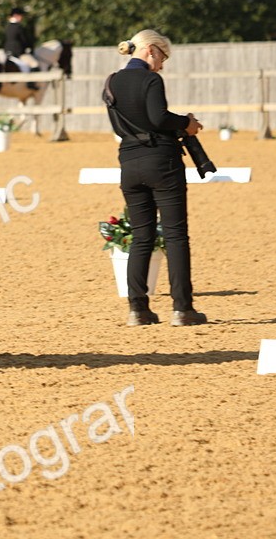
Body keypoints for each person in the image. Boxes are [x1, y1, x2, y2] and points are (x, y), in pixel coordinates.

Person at [105, 29, 207, 327]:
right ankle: (183, 308)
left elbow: (121, 123)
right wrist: (187, 123)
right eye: (163, 56)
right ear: (151, 49)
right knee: (175, 234)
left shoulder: (112, 81)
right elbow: (158, 118)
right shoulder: (151, 80)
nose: (162, 65)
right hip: (161, 161)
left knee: (141, 236)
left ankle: (138, 309)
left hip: (129, 162)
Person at [3, 7, 38, 89]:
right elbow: (24, 40)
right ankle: (30, 84)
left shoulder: (7, 27)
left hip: (7, 51)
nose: (22, 18)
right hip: (18, 53)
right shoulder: (19, 27)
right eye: (21, 15)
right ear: (16, 15)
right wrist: (29, 48)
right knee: (34, 64)